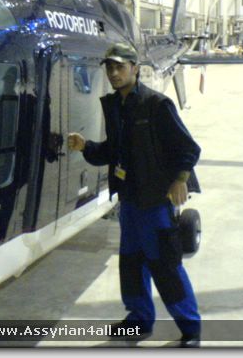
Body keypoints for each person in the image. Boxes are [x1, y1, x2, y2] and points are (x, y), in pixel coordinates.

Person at [67, 42, 202, 347]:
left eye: (120, 67)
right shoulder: (115, 105)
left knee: (165, 265)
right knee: (131, 263)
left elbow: (188, 148)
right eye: (110, 68)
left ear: (135, 69)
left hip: (155, 202)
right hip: (129, 201)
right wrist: (86, 146)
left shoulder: (156, 105)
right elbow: (112, 152)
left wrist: (180, 179)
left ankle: (190, 328)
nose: (114, 73)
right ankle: (138, 320)